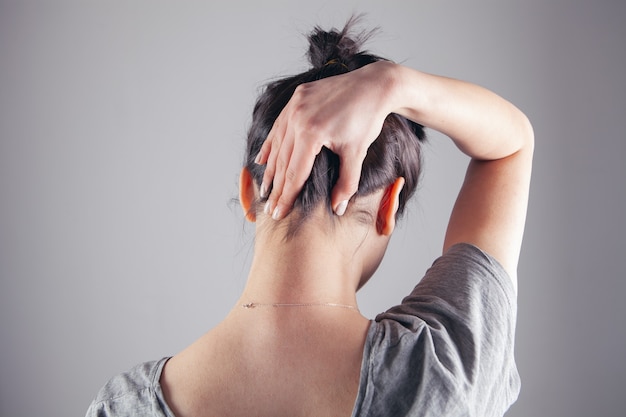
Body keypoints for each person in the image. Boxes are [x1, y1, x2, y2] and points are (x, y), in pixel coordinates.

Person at [86, 18, 533, 417]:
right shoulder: (443, 369)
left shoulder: (119, 407)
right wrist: (395, 84)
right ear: (388, 205)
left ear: (247, 191)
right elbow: (510, 147)